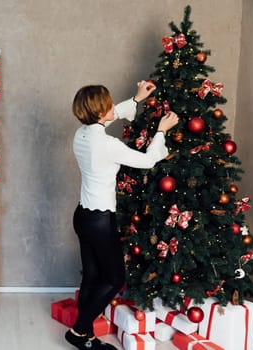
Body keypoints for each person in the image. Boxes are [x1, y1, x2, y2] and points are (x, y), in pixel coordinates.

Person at [65, 81, 179, 349]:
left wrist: (137, 99)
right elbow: (148, 161)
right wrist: (161, 131)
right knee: (115, 279)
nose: (111, 107)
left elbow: (109, 114)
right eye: (108, 103)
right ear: (99, 110)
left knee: (92, 277)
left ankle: (86, 337)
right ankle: (79, 331)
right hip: (99, 221)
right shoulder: (107, 144)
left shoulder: (81, 133)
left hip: (83, 216)